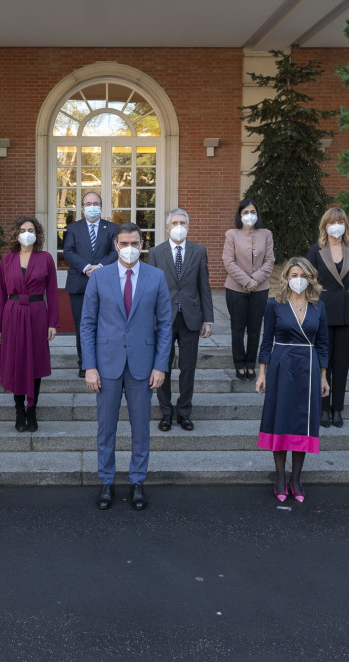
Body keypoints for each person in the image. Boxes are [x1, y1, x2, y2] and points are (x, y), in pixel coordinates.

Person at [82, 223, 172, 511]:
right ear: (116, 245)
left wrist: (160, 366)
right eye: (124, 243)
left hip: (142, 366)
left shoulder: (156, 277)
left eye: (135, 242)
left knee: (141, 430)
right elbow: (88, 324)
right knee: (106, 428)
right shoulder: (99, 277)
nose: (130, 248)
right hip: (106, 366)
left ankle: (137, 482)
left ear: (142, 244)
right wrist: (90, 366)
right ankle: (107, 482)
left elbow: (165, 326)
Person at [255, 258, 330, 503]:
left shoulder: (318, 306)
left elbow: (322, 344)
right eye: (293, 273)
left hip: (307, 367)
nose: (297, 278)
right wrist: (262, 373)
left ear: (310, 277)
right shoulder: (274, 304)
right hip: (281, 365)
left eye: (302, 274)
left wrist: (323, 376)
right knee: (280, 419)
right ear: (286, 277)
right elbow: (266, 341)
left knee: (302, 422)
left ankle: (296, 478)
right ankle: (280, 476)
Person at [149, 208, 213, 432]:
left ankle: (184, 412)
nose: (178, 226)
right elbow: (150, 290)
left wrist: (208, 319)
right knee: (162, 366)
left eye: (182, 223)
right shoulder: (156, 252)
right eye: (174, 222)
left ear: (188, 226)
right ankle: (165, 412)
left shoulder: (199, 251)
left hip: (191, 318)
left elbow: (204, 286)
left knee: (188, 368)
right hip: (163, 319)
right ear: (167, 227)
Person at [0, 216, 58, 432]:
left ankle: (32, 409)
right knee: (16, 361)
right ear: (16, 234)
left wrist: (53, 323)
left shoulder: (46, 258)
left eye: (30, 229)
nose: (27, 233)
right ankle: (19, 409)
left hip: (37, 314)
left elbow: (53, 293)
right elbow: (1, 294)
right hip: (12, 315)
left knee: (35, 362)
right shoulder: (7, 260)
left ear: (37, 233)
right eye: (23, 229)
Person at [306, 208, 349, 428]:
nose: (336, 225)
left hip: (348, 314)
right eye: (332, 222)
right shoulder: (316, 250)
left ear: (345, 225)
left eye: (340, 221)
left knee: (341, 365)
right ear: (325, 225)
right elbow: (309, 283)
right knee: (324, 363)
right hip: (322, 313)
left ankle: (337, 408)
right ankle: (322, 408)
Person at [63, 190, 118, 377]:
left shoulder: (112, 228)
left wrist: (101, 267)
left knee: (105, 324)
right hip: (79, 283)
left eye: (96, 203)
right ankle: (84, 363)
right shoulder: (72, 228)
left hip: (106, 283)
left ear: (101, 207)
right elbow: (68, 252)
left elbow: (115, 251)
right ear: (82, 207)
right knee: (82, 325)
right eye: (88, 204)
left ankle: (103, 361)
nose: (92, 207)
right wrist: (86, 267)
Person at [222, 199, 274, 380]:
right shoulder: (231, 234)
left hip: (260, 289)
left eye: (253, 211)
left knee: (254, 328)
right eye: (245, 212)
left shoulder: (266, 234)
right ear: (240, 215)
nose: (249, 215)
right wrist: (246, 281)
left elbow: (269, 261)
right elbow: (228, 262)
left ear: (257, 214)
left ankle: (251, 363)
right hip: (236, 288)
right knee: (237, 327)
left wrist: (255, 280)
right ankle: (239, 363)